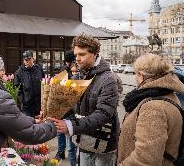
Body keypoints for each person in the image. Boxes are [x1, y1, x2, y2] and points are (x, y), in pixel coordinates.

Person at [49, 34, 120, 166]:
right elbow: (69, 105)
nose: (77, 59)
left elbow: (103, 114)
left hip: (103, 145)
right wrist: (51, 112)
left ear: (95, 54)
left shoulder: (109, 79)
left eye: (82, 54)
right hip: (84, 141)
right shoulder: (81, 75)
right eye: (76, 55)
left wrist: (70, 125)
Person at [117, 53, 184, 166]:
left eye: (136, 74)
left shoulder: (153, 108)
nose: (135, 78)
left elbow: (146, 159)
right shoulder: (167, 93)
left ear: (141, 76)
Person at [54, 52, 78, 166]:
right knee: (61, 131)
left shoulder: (77, 72)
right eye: (69, 62)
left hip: (70, 109)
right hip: (63, 107)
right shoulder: (63, 72)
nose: (70, 64)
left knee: (66, 132)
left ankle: (65, 153)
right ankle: (61, 152)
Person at [14, 50, 45, 118]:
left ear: (33, 59)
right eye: (26, 60)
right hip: (27, 107)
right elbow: (17, 88)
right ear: (23, 61)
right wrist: (23, 101)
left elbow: (44, 81)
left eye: (29, 59)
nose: (28, 61)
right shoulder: (19, 72)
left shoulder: (38, 68)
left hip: (39, 104)